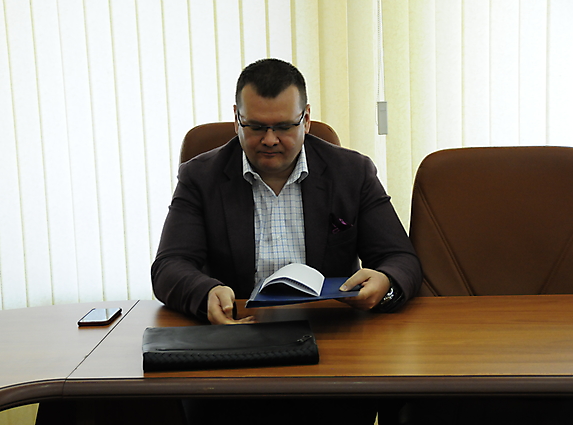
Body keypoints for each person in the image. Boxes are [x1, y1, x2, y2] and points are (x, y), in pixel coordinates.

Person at [152, 58, 422, 325]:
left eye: (283, 127)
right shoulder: (200, 177)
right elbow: (169, 265)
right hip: (239, 326)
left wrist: (385, 282)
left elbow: (400, 259)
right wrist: (205, 294)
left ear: (306, 120)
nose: (270, 139)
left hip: (330, 325)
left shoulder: (352, 173)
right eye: (256, 127)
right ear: (237, 120)